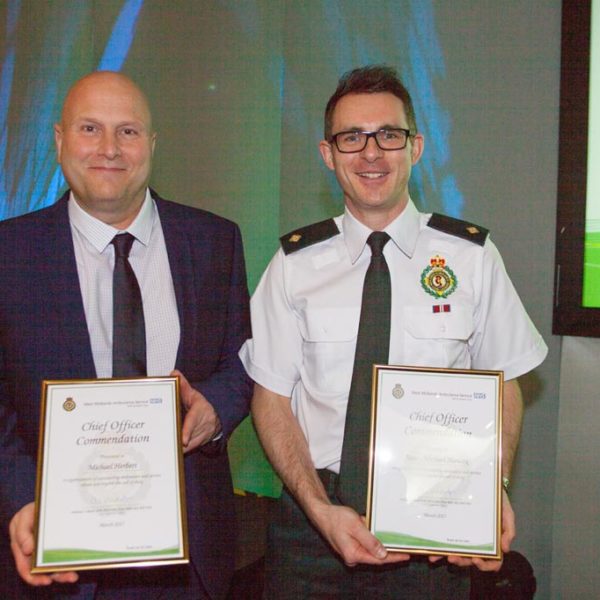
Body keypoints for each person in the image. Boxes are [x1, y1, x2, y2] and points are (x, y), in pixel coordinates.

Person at [240, 65, 548, 599]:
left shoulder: (471, 258)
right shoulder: (293, 265)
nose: (371, 153)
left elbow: (504, 382)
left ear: (415, 147)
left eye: (388, 135)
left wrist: (491, 487)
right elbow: (270, 397)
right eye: (351, 137)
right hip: (312, 526)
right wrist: (319, 509)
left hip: (434, 523)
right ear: (328, 154)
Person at [0, 71, 252, 599]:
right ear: (60, 140)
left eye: (128, 131)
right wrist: (23, 499)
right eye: (90, 129)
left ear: (152, 144)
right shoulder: (9, 254)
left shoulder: (215, 241)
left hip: (189, 553)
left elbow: (242, 362)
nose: (109, 148)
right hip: (58, 553)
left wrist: (215, 409)